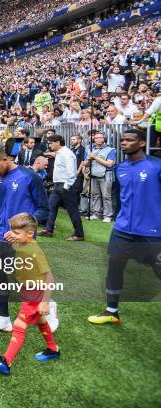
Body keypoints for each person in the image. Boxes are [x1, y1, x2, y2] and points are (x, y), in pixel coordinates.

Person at [88, 129, 161, 324]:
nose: (125, 143)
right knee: (114, 266)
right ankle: (112, 311)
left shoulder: (156, 166)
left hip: (152, 231)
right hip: (123, 229)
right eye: (123, 140)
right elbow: (122, 198)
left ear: (142, 143)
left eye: (130, 140)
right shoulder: (120, 168)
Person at [0, 147, 56, 333]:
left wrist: (22, 229)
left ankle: (50, 308)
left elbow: (44, 210)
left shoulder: (29, 176)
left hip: (23, 239)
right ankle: (3, 319)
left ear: (5, 158)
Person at [0, 213, 60, 375]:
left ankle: (6, 361)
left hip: (35, 295)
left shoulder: (35, 251)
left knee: (19, 326)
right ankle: (53, 349)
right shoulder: (24, 244)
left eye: (17, 233)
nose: (14, 235)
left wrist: (45, 301)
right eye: (12, 231)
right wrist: (12, 237)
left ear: (30, 233)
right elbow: (18, 249)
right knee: (41, 321)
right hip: (28, 293)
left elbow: (50, 278)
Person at [39, 135, 85, 241]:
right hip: (58, 185)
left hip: (66, 186)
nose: (49, 145)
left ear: (58, 142)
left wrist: (66, 187)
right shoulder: (60, 153)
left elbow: (71, 172)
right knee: (50, 207)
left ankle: (79, 234)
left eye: (50, 143)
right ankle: (48, 230)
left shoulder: (67, 154)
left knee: (72, 210)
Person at [85, 132, 116, 223]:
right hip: (93, 174)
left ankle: (108, 215)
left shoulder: (110, 150)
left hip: (106, 174)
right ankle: (96, 214)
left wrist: (95, 157)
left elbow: (109, 164)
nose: (98, 139)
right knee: (95, 195)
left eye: (100, 138)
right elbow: (85, 163)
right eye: (96, 138)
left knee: (106, 196)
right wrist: (88, 160)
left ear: (104, 139)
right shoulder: (90, 149)